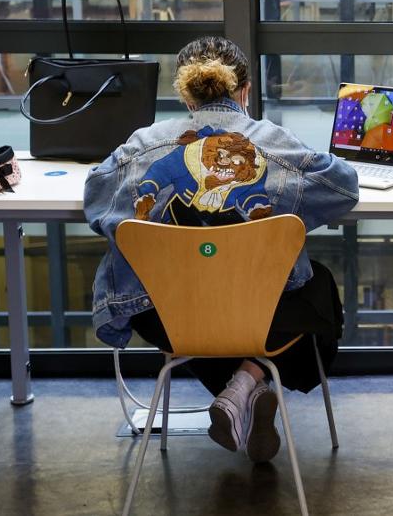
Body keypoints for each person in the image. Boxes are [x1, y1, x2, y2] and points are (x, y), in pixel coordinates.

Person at [85, 36, 359, 463]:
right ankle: (249, 383)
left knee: (207, 317)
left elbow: (96, 195)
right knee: (316, 288)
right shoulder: (273, 143)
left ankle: (239, 395)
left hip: (164, 317)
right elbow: (343, 186)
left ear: (185, 94)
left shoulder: (142, 144)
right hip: (255, 316)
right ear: (244, 91)